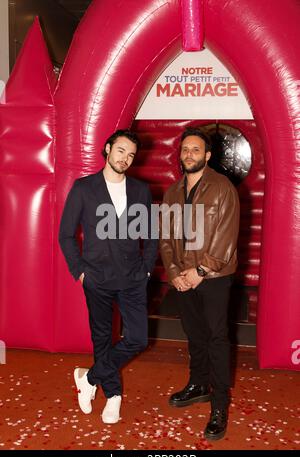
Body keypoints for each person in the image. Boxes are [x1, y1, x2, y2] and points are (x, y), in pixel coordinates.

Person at [59, 129, 157, 424]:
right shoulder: (83, 188)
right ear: (107, 149)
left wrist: (147, 269)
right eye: (121, 151)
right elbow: (65, 235)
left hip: (132, 278)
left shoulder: (141, 190)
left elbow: (150, 235)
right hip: (96, 278)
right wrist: (80, 273)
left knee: (138, 338)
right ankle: (113, 396)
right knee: (102, 338)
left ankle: (88, 377)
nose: (125, 158)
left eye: (130, 155)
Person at [159, 127, 240, 440]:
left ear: (207, 156)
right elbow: (166, 238)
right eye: (185, 150)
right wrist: (175, 271)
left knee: (217, 339)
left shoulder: (223, 189)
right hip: (182, 278)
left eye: (195, 149)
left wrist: (200, 271)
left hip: (214, 277)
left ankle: (219, 405)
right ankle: (197, 385)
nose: (188, 154)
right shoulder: (172, 192)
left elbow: (226, 239)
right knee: (194, 335)